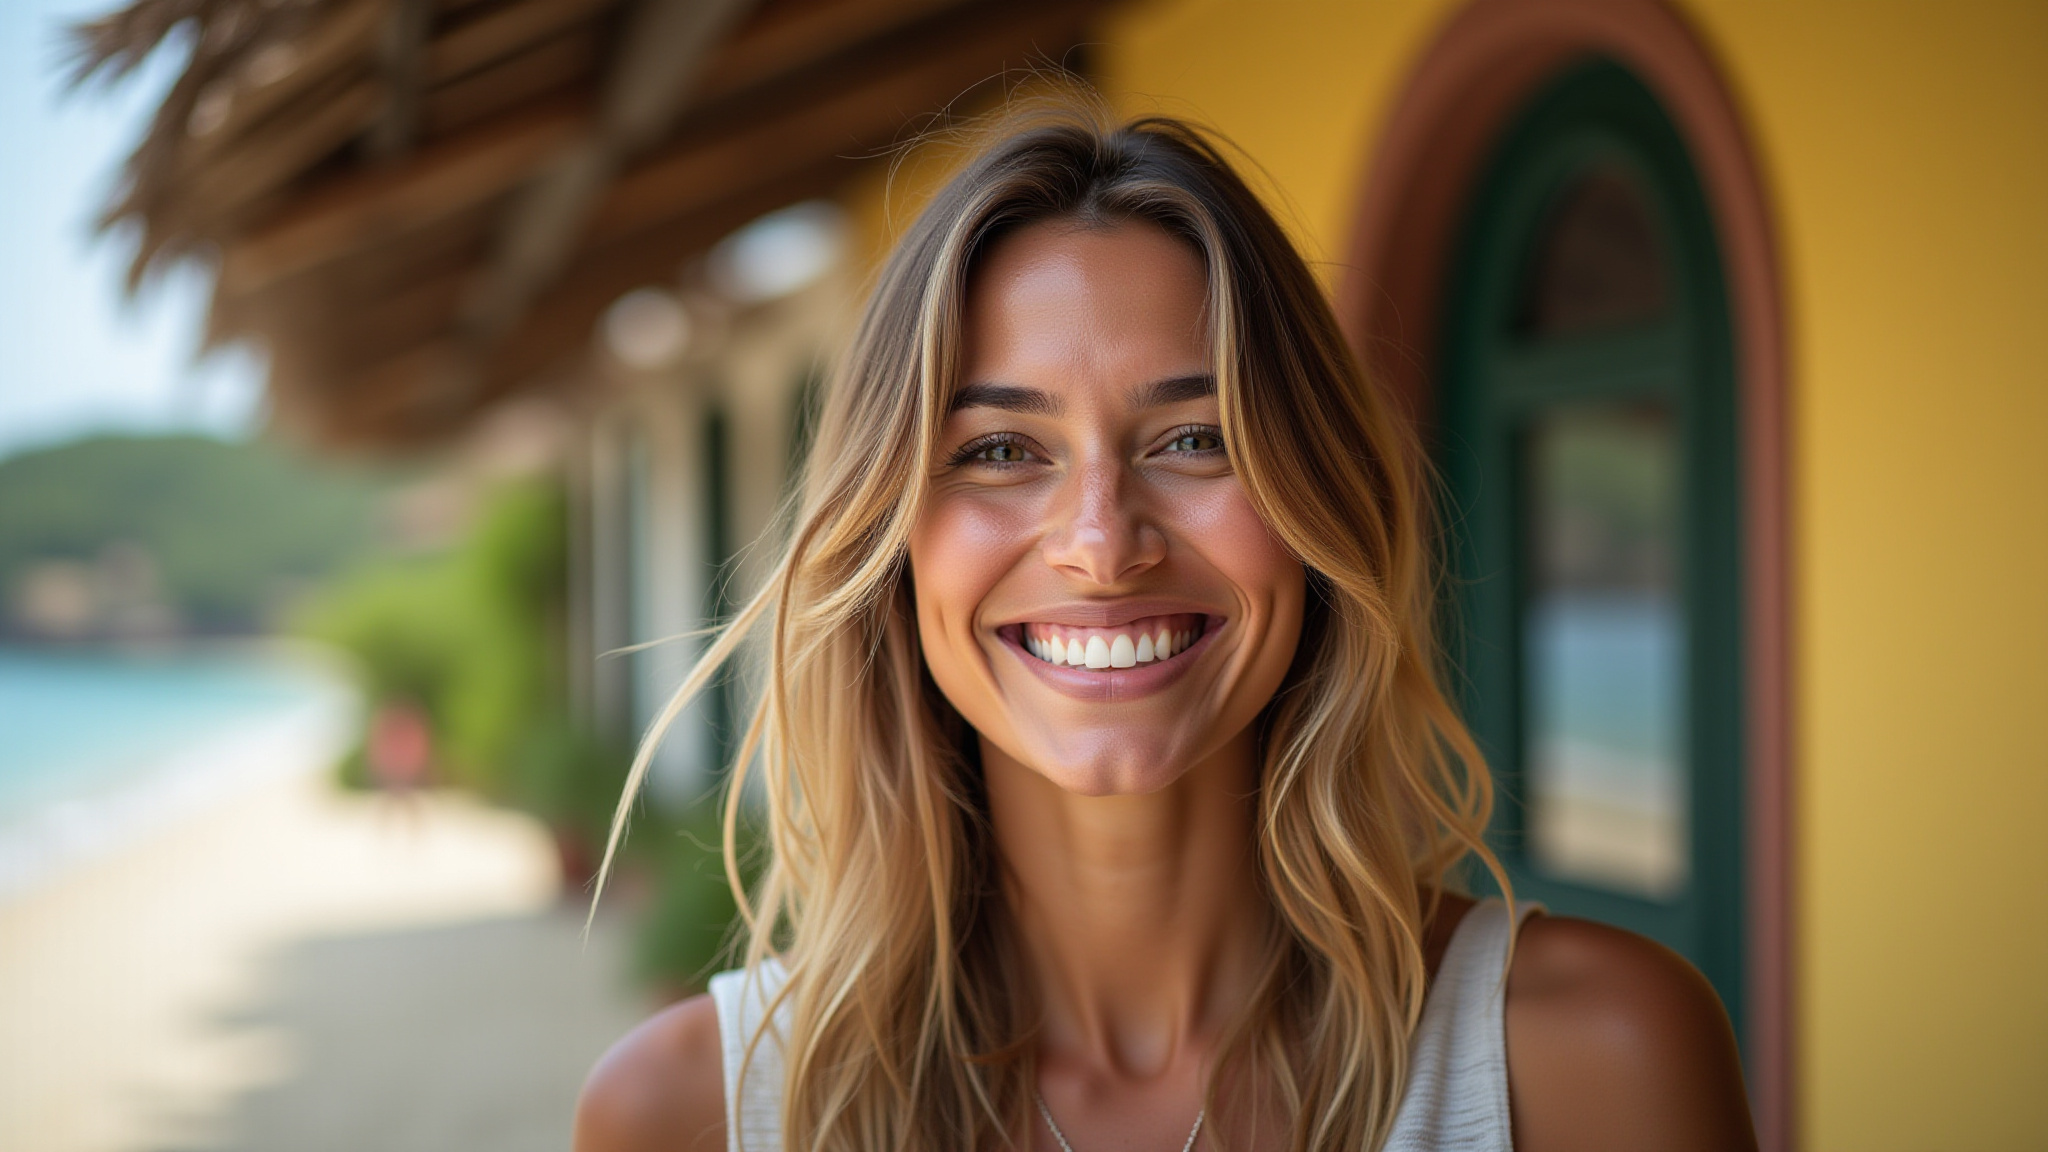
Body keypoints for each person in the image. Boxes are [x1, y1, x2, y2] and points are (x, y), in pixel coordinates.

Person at [573, 97, 1755, 1152]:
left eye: (1195, 438)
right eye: (999, 450)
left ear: (1317, 507)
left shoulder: (1592, 1062)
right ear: (889, 543)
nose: (1100, 543)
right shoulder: (688, 1117)